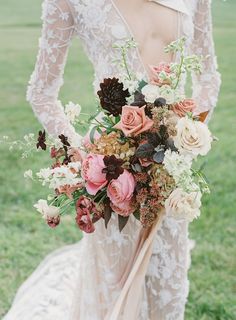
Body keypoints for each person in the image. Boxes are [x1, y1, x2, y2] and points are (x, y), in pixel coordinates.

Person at [3, 0, 221, 319]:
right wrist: (84, 155)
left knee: (168, 291)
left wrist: (188, 133)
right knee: (113, 293)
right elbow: (41, 92)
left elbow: (209, 77)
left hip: (172, 169)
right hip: (112, 173)